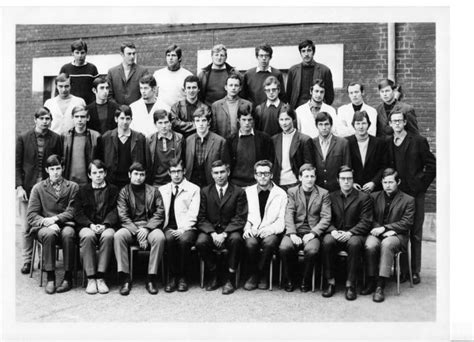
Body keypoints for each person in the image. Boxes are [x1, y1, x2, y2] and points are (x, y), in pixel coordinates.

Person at [387, 112, 436, 284]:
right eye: (394, 121)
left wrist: (420, 185)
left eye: (400, 120)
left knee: (415, 233)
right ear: (390, 123)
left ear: (405, 122)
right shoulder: (388, 142)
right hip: (396, 196)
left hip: (415, 195)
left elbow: (431, 165)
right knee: (400, 232)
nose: (397, 123)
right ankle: (402, 270)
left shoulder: (418, 141)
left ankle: (415, 271)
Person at [16, 107, 63, 274]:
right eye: (42, 118)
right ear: (35, 120)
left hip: (47, 191)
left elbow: (59, 163)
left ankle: (44, 261)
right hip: (28, 189)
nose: (45, 121)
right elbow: (17, 164)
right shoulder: (23, 138)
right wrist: (19, 186)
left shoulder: (56, 138)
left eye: (47, 118)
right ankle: (27, 260)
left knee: (46, 226)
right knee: (26, 227)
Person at [26, 155, 79, 294]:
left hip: (65, 224)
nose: (55, 172)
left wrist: (55, 219)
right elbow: (31, 215)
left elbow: (73, 211)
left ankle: (68, 278)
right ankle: (50, 278)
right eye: (52, 169)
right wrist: (46, 222)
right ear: (47, 170)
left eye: (58, 168)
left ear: (63, 169)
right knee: (49, 235)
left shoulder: (72, 187)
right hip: (44, 226)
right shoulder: (38, 188)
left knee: (68, 234)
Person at [362, 168, 415, 303]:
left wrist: (387, 228)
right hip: (376, 232)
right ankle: (371, 280)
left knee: (387, 244)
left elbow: (407, 222)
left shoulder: (408, 200)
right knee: (370, 245)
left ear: (398, 182)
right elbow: (369, 217)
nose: (388, 185)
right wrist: (377, 229)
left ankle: (380, 285)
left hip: (397, 235)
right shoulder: (374, 196)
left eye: (391, 182)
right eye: (385, 182)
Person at [196, 160, 248, 295]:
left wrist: (224, 234)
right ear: (212, 175)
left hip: (230, 230)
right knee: (201, 242)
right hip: (211, 230)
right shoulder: (205, 191)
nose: (219, 176)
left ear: (228, 172)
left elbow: (240, 217)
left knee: (236, 240)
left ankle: (230, 279)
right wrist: (213, 234)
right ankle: (214, 275)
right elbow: (201, 217)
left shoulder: (238, 192)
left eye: (222, 172)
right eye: (216, 173)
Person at [321, 166, 372, 300]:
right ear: (338, 180)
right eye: (343, 179)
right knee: (327, 242)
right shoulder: (331, 196)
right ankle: (330, 282)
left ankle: (351, 285)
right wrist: (333, 231)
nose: (346, 182)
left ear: (353, 179)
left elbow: (365, 222)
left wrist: (350, 233)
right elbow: (326, 218)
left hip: (354, 234)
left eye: (349, 178)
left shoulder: (364, 198)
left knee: (354, 244)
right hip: (335, 233)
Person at [114, 162, 165, 295]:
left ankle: (151, 278)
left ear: (145, 176)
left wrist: (147, 229)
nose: (138, 177)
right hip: (131, 227)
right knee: (118, 236)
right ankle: (125, 278)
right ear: (129, 175)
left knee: (159, 237)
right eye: (136, 174)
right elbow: (123, 216)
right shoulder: (124, 192)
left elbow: (160, 213)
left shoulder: (154, 191)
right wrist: (137, 232)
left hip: (149, 227)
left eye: (142, 174)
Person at [279, 163, 331, 292]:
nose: (309, 179)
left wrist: (314, 233)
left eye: (312, 176)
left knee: (312, 250)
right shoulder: (292, 192)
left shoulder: (323, 193)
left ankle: (305, 280)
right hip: (295, 230)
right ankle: (290, 279)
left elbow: (326, 217)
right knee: (285, 247)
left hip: (312, 231)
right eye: (306, 176)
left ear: (315, 177)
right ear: (300, 178)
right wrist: (292, 233)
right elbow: (289, 213)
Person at [74, 160, 119, 294]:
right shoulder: (82, 191)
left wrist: (105, 224)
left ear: (105, 173)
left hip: (107, 225)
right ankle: (91, 278)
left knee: (109, 236)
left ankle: (101, 277)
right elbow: (78, 212)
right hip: (88, 225)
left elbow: (116, 210)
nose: (98, 175)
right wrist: (90, 225)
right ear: (89, 175)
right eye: (94, 173)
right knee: (88, 236)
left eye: (100, 172)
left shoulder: (113, 190)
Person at [242, 160, 287, 290]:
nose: (263, 176)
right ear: (255, 175)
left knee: (269, 243)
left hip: (272, 231)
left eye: (266, 173)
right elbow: (244, 214)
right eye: (259, 173)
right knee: (251, 243)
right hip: (253, 229)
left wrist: (270, 229)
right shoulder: (248, 192)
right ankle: (254, 274)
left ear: (271, 175)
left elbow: (281, 219)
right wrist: (247, 227)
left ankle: (262, 274)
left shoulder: (280, 194)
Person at [158, 159, 200, 292]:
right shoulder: (162, 189)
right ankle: (172, 277)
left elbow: (194, 213)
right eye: (173, 172)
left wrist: (183, 229)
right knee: (169, 240)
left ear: (184, 172)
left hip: (187, 227)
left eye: (179, 171)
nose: (176, 175)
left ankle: (182, 277)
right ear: (169, 173)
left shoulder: (193, 189)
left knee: (184, 241)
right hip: (169, 226)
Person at [102, 105, 147, 188]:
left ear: (131, 120)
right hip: (112, 182)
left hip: (132, 182)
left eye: (127, 118)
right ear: (116, 119)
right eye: (122, 118)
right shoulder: (106, 137)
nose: (125, 122)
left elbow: (145, 161)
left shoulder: (140, 138)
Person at [271, 105, 315, 190]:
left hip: (296, 184)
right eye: (281, 120)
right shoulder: (274, 139)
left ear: (293, 119)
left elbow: (309, 165)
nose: (284, 123)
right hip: (278, 184)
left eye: (287, 119)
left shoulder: (304, 140)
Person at [228, 109, 274, 187]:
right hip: (236, 184)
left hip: (257, 183)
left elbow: (269, 161)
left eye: (249, 120)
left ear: (253, 121)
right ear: (238, 120)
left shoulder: (264, 138)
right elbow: (228, 163)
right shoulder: (231, 140)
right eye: (244, 120)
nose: (247, 123)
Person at [185, 107, 229, 188]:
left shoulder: (220, 141)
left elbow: (225, 165)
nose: (201, 124)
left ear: (209, 122)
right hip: (191, 183)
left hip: (211, 184)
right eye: (197, 121)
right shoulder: (188, 140)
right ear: (194, 123)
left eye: (203, 120)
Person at [346, 110, 388, 193]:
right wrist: (352, 182)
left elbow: (384, 166)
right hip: (353, 189)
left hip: (374, 190)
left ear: (368, 124)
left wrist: (374, 182)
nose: (361, 127)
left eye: (364, 123)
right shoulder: (346, 142)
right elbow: (344, 165)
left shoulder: (379, 143)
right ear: (353, 125)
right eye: (358, 123)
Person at [286, 39, 334, 108]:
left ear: (313, 52)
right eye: (303, 51)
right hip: (298, 109)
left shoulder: (324, 70)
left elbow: (330, 96)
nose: (306, 54)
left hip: (318, 109)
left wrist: (322, 108)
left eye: (309, 50)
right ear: (300, 53)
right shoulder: (293, 70)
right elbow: (289, 94)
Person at [62, 105, 103, 186]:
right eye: (76, 117)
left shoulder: (95, 136)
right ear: (72, 118)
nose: (79, 120)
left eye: (82, 116)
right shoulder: (65, 136)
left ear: (88, 118)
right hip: (69, 182)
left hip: (88, 182)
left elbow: (100, 160)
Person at [313, 112, 351, 192]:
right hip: (318, 190)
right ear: (316, 126)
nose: (324, 128)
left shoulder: (343, 143)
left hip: (337, 190)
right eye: (320, 124)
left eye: (327, 124)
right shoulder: (312, 143)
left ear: (331, 125)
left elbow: (347, 167)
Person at [146, 109, 185, 187]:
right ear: (155, 124)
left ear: (170, 123)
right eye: (160, 123)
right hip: (156, 183)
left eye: (166, 122)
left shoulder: (179, 138)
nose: (163, 126)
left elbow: (184, 160)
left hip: (174, 182)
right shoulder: (149, 140)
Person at [211, 73, 253, 139]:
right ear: (226, 87)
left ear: (240, 88)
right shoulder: (216, 106)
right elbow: (213, 129)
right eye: (231, 85)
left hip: (241, 141)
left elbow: (251, 127)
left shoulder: (248, 104)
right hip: (222, 141)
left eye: (236, 85)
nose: (233, 88)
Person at [59, 39, 99, 105]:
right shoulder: (65, 69)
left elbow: (98, 89)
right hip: (70, 106)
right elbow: (59, 89)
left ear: (86, 53)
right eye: (77, 53)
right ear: (72, 53)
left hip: (88, 106)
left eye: (82, 53)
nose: (80, 56)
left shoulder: (92, 68)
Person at [153, 44, 193, 108]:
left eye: (173, 55)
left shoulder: (188, 75)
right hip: (162, 113)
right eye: (168, 55)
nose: (170, 58)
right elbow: (153, 95)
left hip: (180, 113)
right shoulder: (158, 74)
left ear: (180, 58)